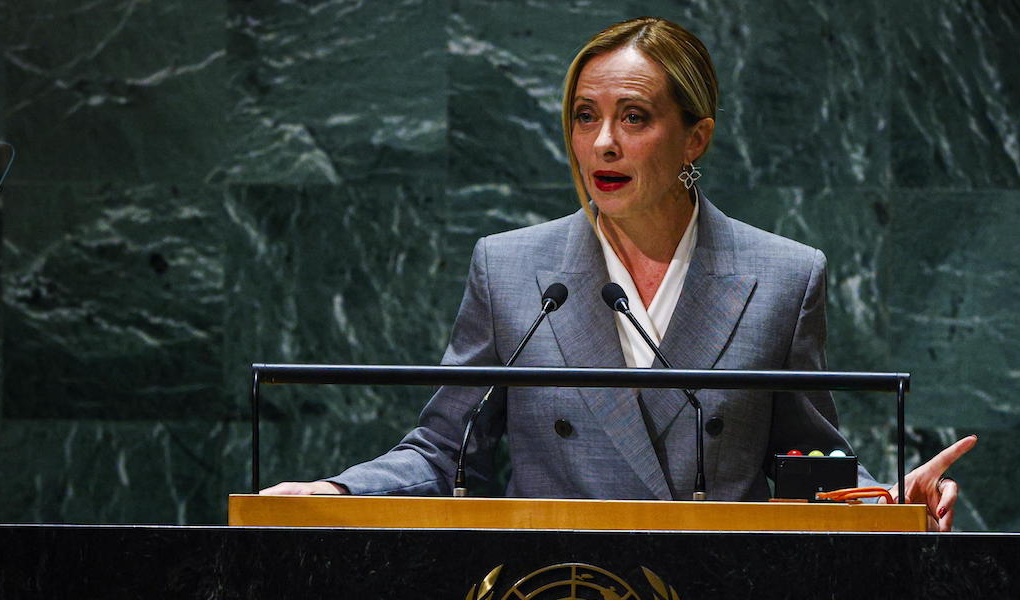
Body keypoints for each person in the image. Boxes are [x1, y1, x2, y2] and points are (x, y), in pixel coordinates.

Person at [261, 16, 976, 531]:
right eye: (585, 116)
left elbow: (805, 457)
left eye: (634, 117)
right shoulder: (510, 269)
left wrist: (890, 503)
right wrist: (335, 491)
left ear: (696, 137)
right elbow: (447, 449)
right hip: (557, 581)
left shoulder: (784, 277)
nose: (602, 142)